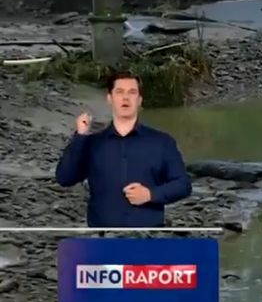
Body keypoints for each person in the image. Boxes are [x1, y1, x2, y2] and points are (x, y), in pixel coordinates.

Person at [54, 71, 193, 227]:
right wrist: (80, 136)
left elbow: (183, 185)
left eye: (132, 92)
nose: (125, 98)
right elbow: (64, 178)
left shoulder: (161, 142)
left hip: (149, 237)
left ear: (139, 100)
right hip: (104, 238)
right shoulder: (92, 143)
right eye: (119, 92)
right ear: (110, 98)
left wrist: (150, 194)